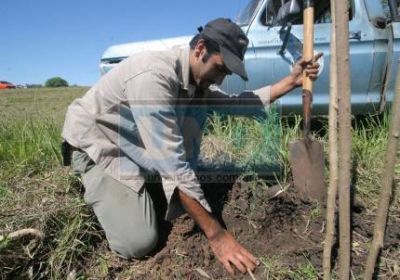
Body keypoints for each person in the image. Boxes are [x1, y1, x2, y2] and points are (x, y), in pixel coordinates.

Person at [62, 18, 321, 275]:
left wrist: (291, 81)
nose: (220, 79)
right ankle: (97, 184)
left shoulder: (197, 82)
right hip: (101, 143)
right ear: (200, 49)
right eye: (220, 69)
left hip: (134, 143)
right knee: (138, 242)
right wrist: (217, 234)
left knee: (178, 171)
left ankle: (142, 185)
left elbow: (235, 104)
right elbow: (174, 166)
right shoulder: (154, 77)